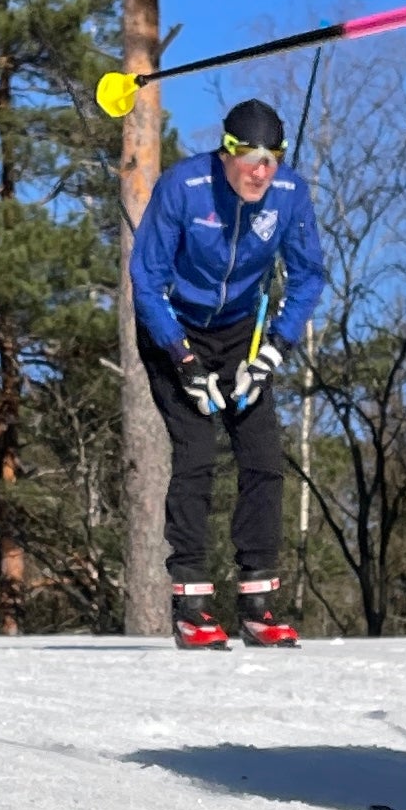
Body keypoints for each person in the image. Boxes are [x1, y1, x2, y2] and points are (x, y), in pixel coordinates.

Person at [130, 97, 328, 648]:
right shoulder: (184, 187)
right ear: (227, 153)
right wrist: (183, 359)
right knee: (196, 455)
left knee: (264, 458)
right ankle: (191, 602)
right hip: (176, 326)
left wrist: (275, 350)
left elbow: (310, 275)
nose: (261, 172)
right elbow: (145, 280)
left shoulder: (289, 194)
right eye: (251, 159)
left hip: (243, 334)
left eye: (273, 159)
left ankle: (257, 602)